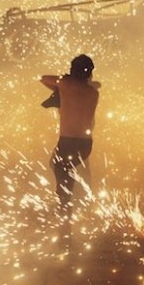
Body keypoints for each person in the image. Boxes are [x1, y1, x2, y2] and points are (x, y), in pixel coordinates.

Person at [41, 54, 99, 219]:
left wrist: (61, 83)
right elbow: (91, 86)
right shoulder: (93, 92)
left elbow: (43, 78)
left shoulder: (66, 83)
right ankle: (80, 201)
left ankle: (65, 215)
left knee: (61, 170)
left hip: (68, 142)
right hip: (86, 144)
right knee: (71, 168)